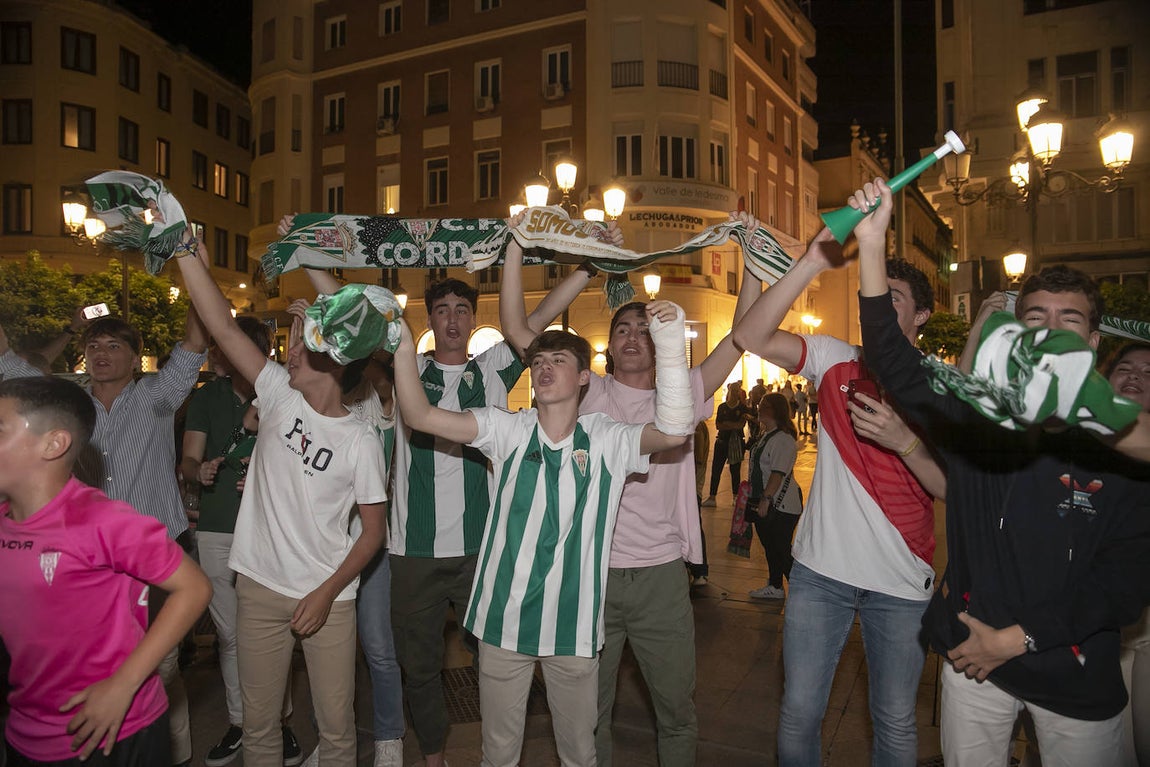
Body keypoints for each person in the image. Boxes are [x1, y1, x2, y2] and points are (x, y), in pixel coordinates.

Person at [854, 177, 1150, 764]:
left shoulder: (1123, 444)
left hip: (1075, 677)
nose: (1047, 328)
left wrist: (1014, 641)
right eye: (1034, 315)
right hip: (972, 662)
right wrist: (869, 242)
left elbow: (1124, 586)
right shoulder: (975, 411)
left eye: (1068, 320)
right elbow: (895, 360)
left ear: (1092, 342)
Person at [500, 213, 764, 765]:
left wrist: (752, 258)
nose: (633, 336)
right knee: (585, 714)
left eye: (645, 328)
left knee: (676, 709)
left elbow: (743, 336)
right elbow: (519, 332)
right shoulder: (586, 393)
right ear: (607, 346)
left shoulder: (687, 391)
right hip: (588, 576)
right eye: (622, 328)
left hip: (661, 578)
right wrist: (526, 250)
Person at [391, 297, 694, 766]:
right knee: (498, 755)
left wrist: (671, 346)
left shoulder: (608, 439)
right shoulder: (506, 429)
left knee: (579, 754)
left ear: (584, 377)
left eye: (559, 360)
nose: (545, 369)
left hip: (572, 630)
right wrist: (402, 343)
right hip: (501, 624)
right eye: (538, 362)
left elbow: (674, 431)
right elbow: (419, 416)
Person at [731, 220, 945, 766]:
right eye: (870, 292)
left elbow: (952, 488)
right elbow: (750, 337)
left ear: (921, 315)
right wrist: (801, 262)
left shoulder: (940, 388)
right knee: (799, 711)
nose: (874, 300)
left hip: (900, 582)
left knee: (895, 722)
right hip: (820, 575)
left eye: (891, 296)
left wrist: (904, 442)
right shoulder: (835, 360)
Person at [173, 232, 388, 767]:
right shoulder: (275, 391)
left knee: (337, 731)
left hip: (328, 598)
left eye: (302, 348)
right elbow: (221, 323)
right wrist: (190, 260)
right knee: (261, 725)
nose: (288, 353)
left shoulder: (360, 440)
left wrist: (327, 591)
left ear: (334, 363)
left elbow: (374, 532)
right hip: (260, 589)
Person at [0, 307, 208, 767]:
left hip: (157, 554)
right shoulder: (65, 405)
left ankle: (170, 753)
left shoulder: (157, 395)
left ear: (136, 359)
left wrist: (184, 250)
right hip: (83, 558)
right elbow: (8, 361)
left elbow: (196, 341)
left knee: (160, 666)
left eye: (114, 346)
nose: (101, 354)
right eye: (93, 346)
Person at [298, 251, 406, 767]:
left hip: (371, 547)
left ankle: (389, 739)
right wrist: (306, 324)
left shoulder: (383, 399)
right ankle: (330, 738)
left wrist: (371, 331)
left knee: (379, 650)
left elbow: (379, 348)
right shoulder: (319, 403)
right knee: (327, 655)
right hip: (321, 547)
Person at [181, 318, 303, 767]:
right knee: (233, 635)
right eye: (223, 348)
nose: (227, 355)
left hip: (271, 527)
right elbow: (188, 461)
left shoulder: (286, 392)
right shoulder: (206, 398)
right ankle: (244, 723)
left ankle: (279, 724)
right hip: (217, 526)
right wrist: (202, 471)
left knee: (272, 632)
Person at [1107, 343, 1150, 766]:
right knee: (1106, 743)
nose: (1135, 374)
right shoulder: (1083, 439)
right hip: (1096, 618)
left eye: (1148, 371)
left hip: (1147, 620)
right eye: (1124, 367)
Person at [746, 393, 803, 599]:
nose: (759, 407)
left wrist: (766, 499)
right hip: (766, 502)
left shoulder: (783, 439)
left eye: (764, 405)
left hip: (781, 505)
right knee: (771, 547)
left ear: (775, 410)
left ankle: (801, 593)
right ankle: (776, 586)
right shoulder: (766, 436)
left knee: (781, 550)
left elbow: (778, 473)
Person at [701, 381, 751, 507]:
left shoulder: (742, 408)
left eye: (736, 391)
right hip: (722, 442)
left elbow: (741, 425)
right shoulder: (722, 407)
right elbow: (719, 425)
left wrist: (728, 424)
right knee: (716, 469)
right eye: (732, 390)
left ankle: (735, 496)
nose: (734, 393)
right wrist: (734, 425)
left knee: (735, 470)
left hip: (736, 443)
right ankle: (712, 497)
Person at [689, 420, 711, 586]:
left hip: (691, 489)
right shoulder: (696, 424)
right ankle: (697, 570)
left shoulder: (696, 426)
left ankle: (700, 571)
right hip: (690, 488)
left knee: (693, 527)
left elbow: (697, 460)